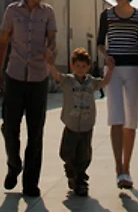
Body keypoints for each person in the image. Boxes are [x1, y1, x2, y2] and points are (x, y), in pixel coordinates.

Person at [0, 0, 57, 197]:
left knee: (36, 132)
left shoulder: (48, 12)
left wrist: (50, 51)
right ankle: (14, 164)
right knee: (9, 127)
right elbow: (3, 42)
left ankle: (31, 183)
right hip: (15, 75)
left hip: (38, 77)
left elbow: (52, 40)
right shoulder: (12, 11)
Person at [97, 0, 138, 189]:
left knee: (131, 119)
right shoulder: (106, 15)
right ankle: (118, 169)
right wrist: (106, 56)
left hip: (134, 69)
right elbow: (100, 42)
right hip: (113, 69)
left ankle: (127, 167)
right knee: (116, 116)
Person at [47, 47, 114, 196]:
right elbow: (57, 76)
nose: (80, 69)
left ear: (88, 67)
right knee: (67, 152)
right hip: (71, 125)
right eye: (77, 66)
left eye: (83, 66)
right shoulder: (68, 81)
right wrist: (50, 64)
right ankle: (71, 171)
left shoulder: (91, 82)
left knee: (84, 155)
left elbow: (105, 82)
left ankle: (81, 179)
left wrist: (110, 69)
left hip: (86, 125)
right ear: (72, 66)